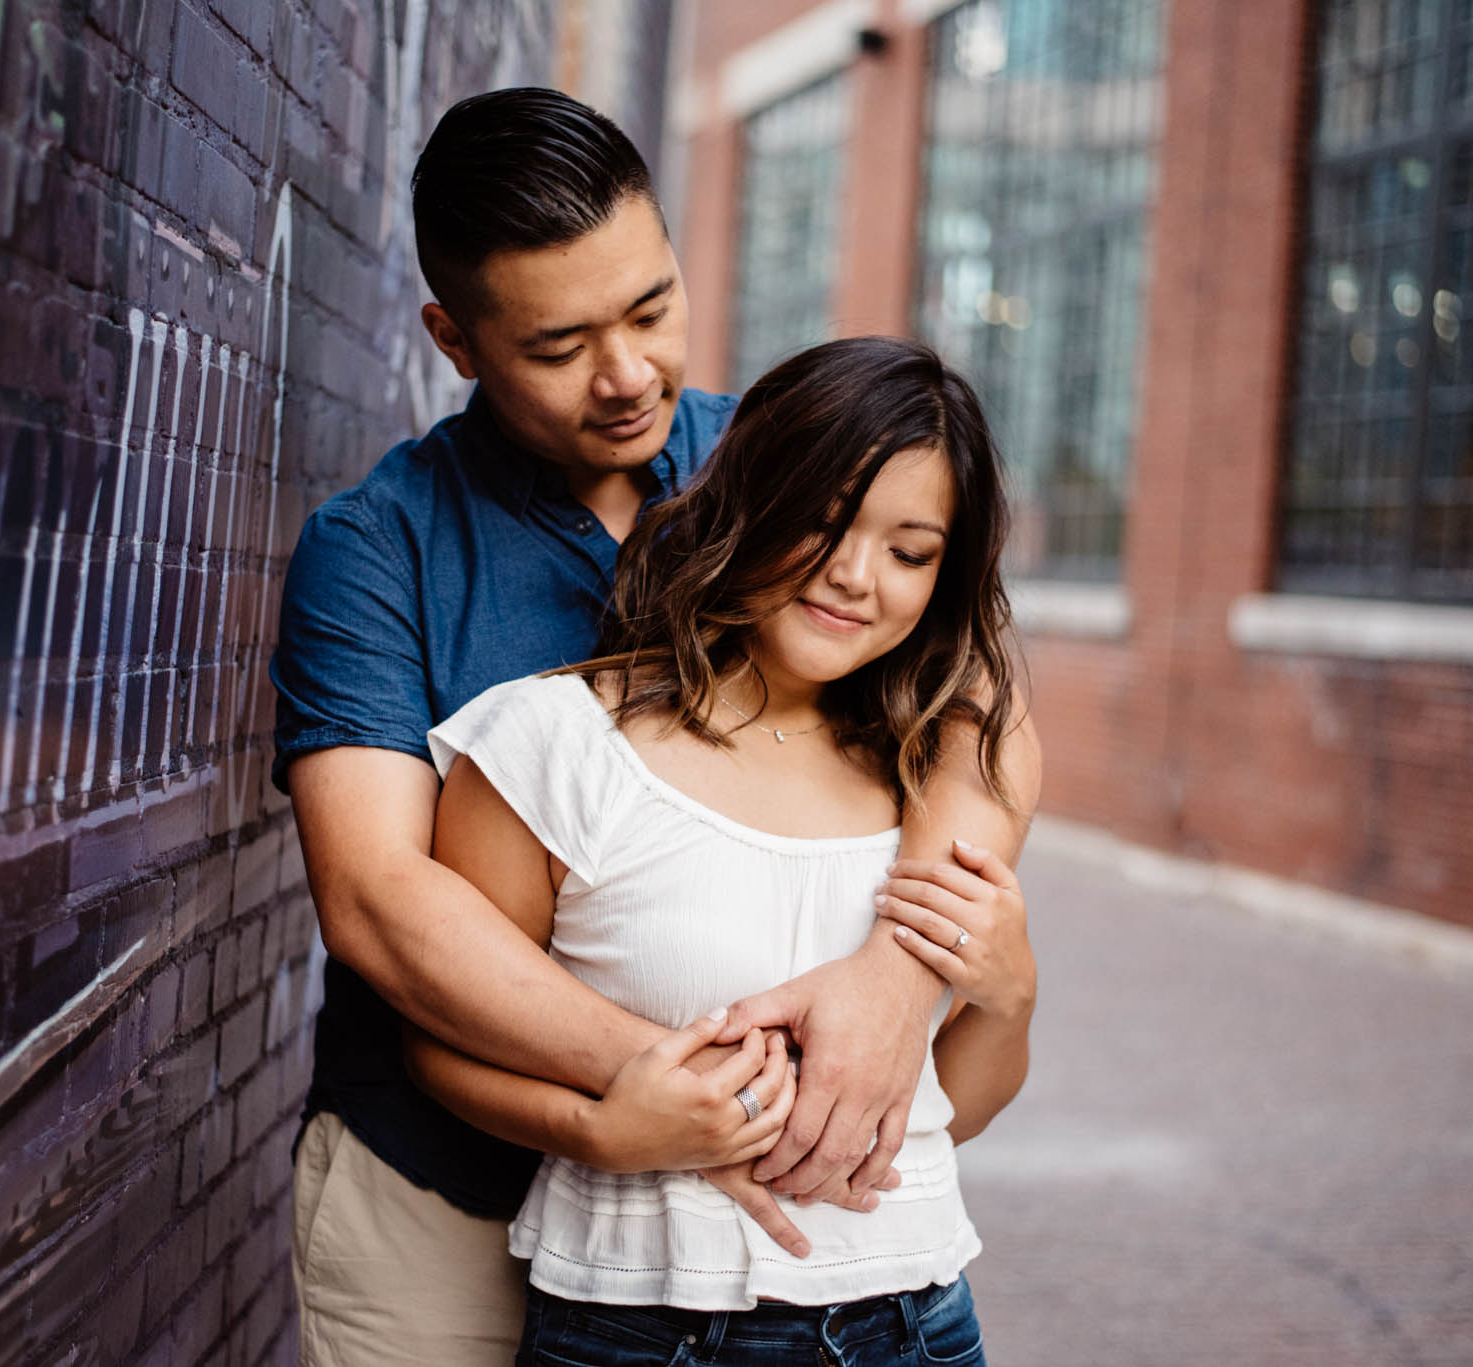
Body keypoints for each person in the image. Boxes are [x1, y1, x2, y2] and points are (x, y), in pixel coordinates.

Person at [272, 88, 1039, 1367]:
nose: (627, 373)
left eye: (650, 307)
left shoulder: (775, 459)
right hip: (441, 1186)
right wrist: (689, 1090)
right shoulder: (376, 548)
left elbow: (978, 689)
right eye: (561, 344)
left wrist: (899, 973)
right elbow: (376, 898)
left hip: (755, 1250)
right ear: (455, 339)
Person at [410, 337, 1030, 1365]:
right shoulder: (551, 744)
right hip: (639, 1327)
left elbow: (943, 1111)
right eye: (825, 520)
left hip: (915, 1321)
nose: (853, 575)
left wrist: (1009, 994)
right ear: (750, 495)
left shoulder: (932, 771)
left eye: (909, 551)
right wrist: (599, 1131)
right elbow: (440, 1044)